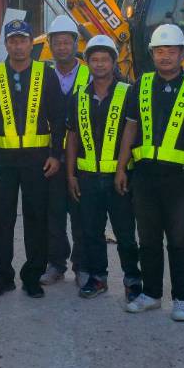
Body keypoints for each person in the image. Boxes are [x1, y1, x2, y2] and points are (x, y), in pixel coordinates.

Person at [114, 24, 184, 322]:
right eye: (160, 51)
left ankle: (181, 299)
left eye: (172, 50)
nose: (165, 56)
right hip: (144, 176)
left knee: (178, 238)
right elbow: (130, 128)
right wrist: (121, 167)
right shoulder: (141, 84)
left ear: (183, 53)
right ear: (152, 54)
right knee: (147, 238)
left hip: (180, 178)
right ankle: (152, 294)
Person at [0, 18, 67, 299]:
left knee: (36, 220)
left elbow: (59, 118)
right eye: (13, 41)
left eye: (23, 40)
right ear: (6, 44)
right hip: (2, 162)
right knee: (1, 221)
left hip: (37, 161)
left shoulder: (46, 73)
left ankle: (32, 277)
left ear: (31, 44)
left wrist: (56, 155)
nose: (18, 46)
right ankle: (3, 277)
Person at [64, 34, 140, 300]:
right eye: (94, 59)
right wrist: (70, 174)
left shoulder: (128, 92)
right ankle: (98, 278)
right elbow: (72, 136)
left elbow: (132, 132)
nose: (99, 64)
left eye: (104, 59)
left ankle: (132, 280)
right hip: (87, 177)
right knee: (91, 232)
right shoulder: (79, 97)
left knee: (125, 233)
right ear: (87, 63)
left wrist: (121, 170)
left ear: (113, 62)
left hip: (119, 178)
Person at [43, 14, 90, 286]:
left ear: (75, 44)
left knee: (81, 214)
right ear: (50, 45)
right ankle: (56, 264)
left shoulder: (90, 73)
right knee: (54, 212)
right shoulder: (43, 75)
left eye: (66, 42)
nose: (62, 47)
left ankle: (81, 266)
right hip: (51, 157)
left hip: (81, 157)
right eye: (57, 42)